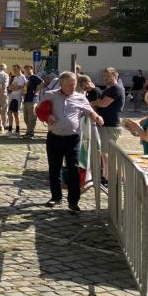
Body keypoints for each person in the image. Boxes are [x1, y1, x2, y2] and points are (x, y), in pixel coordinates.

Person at [41, 71, 104, 212]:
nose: (72, 87)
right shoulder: (50, 95)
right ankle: (56, 197)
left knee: (74, 170)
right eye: (69, 84)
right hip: (54, 137)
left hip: (72, 139)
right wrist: (47, 115)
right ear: (61, 83)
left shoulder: (80, 98)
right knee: (54, 169)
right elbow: (38, 110)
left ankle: (73, 202)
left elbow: (89, 111)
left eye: (74, 84)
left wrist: (97, 117)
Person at [90, 68, 125, 183]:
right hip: (105, 124)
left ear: (115, 76)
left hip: (110, 125)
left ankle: (114, 179)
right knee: (104, 153)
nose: (105, 78)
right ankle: (107, 177)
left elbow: (104, 104)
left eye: (108, 76)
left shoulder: (116, 89)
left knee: (108, 153)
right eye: (104, 75)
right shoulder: (109, 89)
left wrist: (93, 103)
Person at [22, 65, 43, 139]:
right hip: (26, 99)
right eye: (26, 69)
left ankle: (30, 133)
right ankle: (29, 131)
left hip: (33, 100)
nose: (27, 71)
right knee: (26, 118)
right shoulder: (27, 78)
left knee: (32, 117)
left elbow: (42, 83)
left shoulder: (34, 76)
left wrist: (37, 91)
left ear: (32, 69)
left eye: (28, 69)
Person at [6, 64, 26, 137]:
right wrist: (13, 87)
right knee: (13, 114)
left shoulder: (22, 77)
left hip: (16, 98)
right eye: (13, 69)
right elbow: (10, 87)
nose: (14, 70)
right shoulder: (15, 77)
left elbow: (17, 87)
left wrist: (13, 87)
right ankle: (15, 130)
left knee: (12, 113)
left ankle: (12, 130)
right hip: (12, 97)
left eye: (15, 69)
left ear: (20, 69)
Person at [0, 64, 10, 133]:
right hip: (2, 93)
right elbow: (5, 85)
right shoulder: (5, 75)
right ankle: (3, 124)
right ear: (5, 68)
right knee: (4, 109)